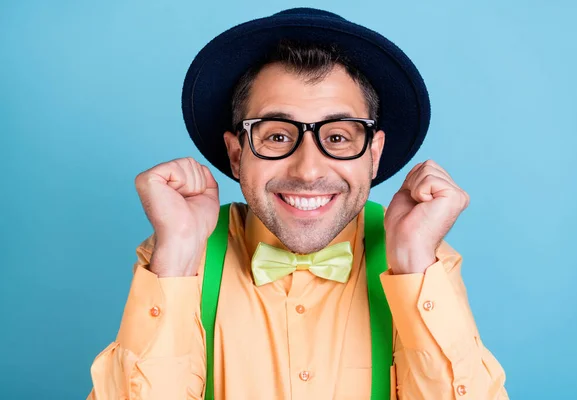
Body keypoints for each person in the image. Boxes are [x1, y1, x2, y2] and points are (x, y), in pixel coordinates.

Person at [88, 7, 508, 400]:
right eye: (276, 135)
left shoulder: (423, 267)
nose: (308, 170)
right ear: (236, 155)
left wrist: (415, 264)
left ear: (374, 154)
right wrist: (175, 256)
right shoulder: (177, 262)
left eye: (339, 137)